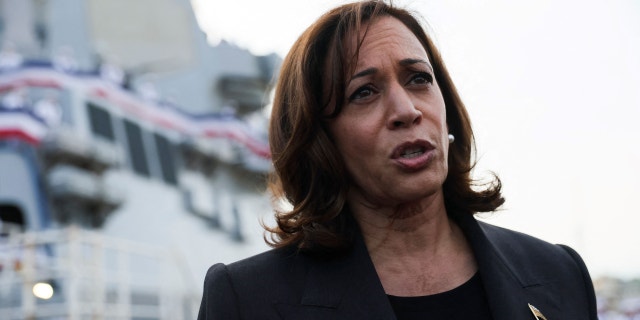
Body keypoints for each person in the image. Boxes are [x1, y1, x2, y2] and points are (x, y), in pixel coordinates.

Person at [197, 1, 598, 319]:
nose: (406, 110)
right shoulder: (246, 301)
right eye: (364, 92)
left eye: (418, 79)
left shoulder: (559, 273)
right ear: (321, 142)